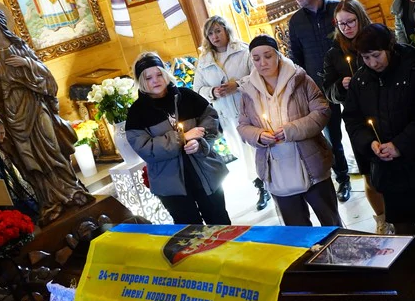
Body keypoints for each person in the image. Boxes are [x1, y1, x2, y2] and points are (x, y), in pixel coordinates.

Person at [0, 5, 93, 222]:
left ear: (0, 22)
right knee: (31, 162)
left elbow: (47, 78)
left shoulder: (21, 48)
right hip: (13, 116)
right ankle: (50, 202)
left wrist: (27, 63)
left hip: (36, 108)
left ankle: (72, 191)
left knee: (53, 150)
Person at [344, 24, 415, 255]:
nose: (372, 63)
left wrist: (400, 145)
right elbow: (353, 119)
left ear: (388, 48)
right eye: (366, 57)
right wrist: (370, 143)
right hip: (387, 164)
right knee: (401, 222)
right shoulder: (361, 81)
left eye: (376, 55)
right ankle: (414, 265)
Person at [238, 35, 343, 228]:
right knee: (297, 231)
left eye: (268, 56)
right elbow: (243, 126)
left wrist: (291, 130)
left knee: (331, 223)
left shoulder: (300, 79)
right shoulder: (248, 90)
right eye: (256, 58)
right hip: (277, 170)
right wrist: (259, 135)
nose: (262, 63)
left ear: (278, 55)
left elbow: (322, 111)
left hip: (310, 162)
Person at [125, 53, 230, 226]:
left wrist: (200, 141)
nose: (155, 80)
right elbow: (146, 149)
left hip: (206, 173)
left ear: (166, 74)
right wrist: (182, 138)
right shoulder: (137, 113)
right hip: (170, 184)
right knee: (191, 232)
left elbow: (211, 120)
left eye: (159, 74)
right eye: (148, 78)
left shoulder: (186, 96)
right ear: (141, 81)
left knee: (221, 224)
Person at [287, 0, 352, 202]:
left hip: (348, 81)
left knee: (358, 127)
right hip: (320, 87)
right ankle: (342, 178)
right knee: (332, 137)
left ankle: (370, 171)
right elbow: (296, 57)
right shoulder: (296, 21)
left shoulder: (338, 9)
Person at [193, 15, 270, 211]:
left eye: (218, 31)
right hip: (226, 115)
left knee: (258, 147)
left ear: (226, 30)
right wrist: (212, 92)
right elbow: (198, 89)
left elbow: (258, 75)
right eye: (210, 33)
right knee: (242, 153)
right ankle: (259, 185)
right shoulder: (204, 61)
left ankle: (268, 183)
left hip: (249, 110)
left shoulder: (243, 51)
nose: (215, 36)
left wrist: (238, 85)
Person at [321, 0, 386, 228]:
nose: (346, 27)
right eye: (341, 24)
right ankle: (382, 219)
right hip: (358, 119)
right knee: (370, 173)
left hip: (386, 112)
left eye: (351, 21)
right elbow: (329, 92)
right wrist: (341, 86)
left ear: (360, 17)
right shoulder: (333, 54)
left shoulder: (377, 39)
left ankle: (402, 215)